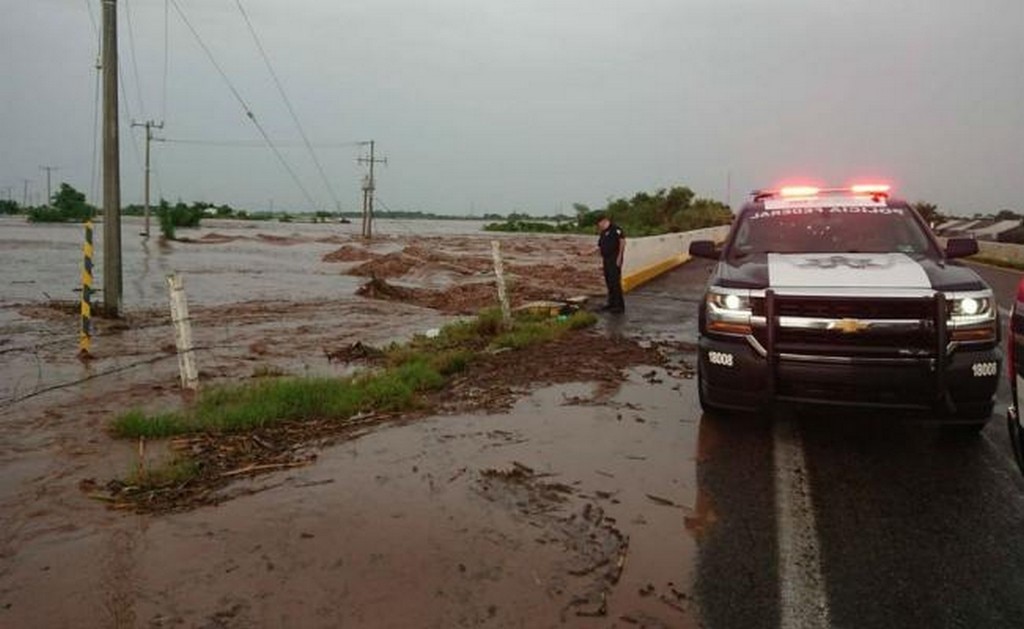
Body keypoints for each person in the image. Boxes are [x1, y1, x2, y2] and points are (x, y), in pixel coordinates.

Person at [594, 215, 626, 313]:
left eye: (600, 224)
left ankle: (619, 306)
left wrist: (619, 257)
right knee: (609, 281)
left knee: (615, 282)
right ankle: (611, 303)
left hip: (614, 258)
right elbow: (599, 246)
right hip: (606, 259)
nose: (599, 226)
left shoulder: (616, 229)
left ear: (604, 221)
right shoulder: (603, 232)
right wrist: (586, 252)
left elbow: (622, 242)